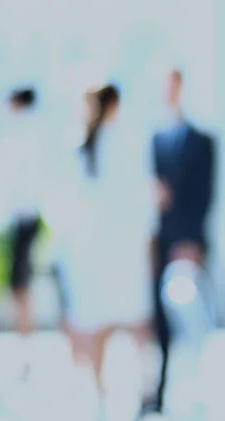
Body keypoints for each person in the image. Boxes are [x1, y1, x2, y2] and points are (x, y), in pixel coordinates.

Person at [60, 84, 154, 388]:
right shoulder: (123, 143)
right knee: (133, 321)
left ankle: (103, 392)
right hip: (119, 245)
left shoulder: (85, 142)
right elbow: (141, 197)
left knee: (101, 323)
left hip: (95, 246)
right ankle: (144, 387)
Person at [151, 69, 215, 412]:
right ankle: (161, 392)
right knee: (160, 322)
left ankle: (196, 392)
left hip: (187, 242)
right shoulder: (156, 138)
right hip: (161, 240)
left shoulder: (201, 140)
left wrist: (192, 242)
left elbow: (204, 194)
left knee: (191, 318)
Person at [0, 88, 44, 333]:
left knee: (21, 285)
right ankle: (24, 336)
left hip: (25, 217)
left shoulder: (23, 134)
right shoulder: (30, 132)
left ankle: (25, 338)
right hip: (23, 218)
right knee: (20, 284)